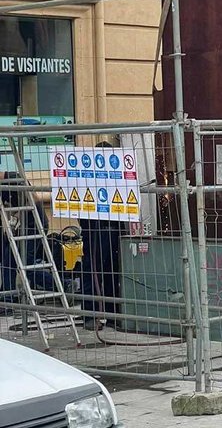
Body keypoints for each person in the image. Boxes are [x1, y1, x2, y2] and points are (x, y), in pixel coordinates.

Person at [80, 141, 122, 330]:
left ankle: (113, 315)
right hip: (94, 231)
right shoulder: (87, 179)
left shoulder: (117, 179)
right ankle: (90, 315)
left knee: (113, 273)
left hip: (113, 231)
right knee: (92, 272)